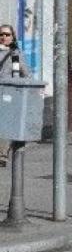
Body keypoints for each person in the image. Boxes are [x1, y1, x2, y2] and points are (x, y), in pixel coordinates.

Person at [0, 24, 32, 167]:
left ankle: (2, 155)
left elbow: (26, 74)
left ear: (12, 37)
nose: (3, 37)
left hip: (9, 94)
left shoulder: (16, 54)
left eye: (7, 35)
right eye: (1, 34)